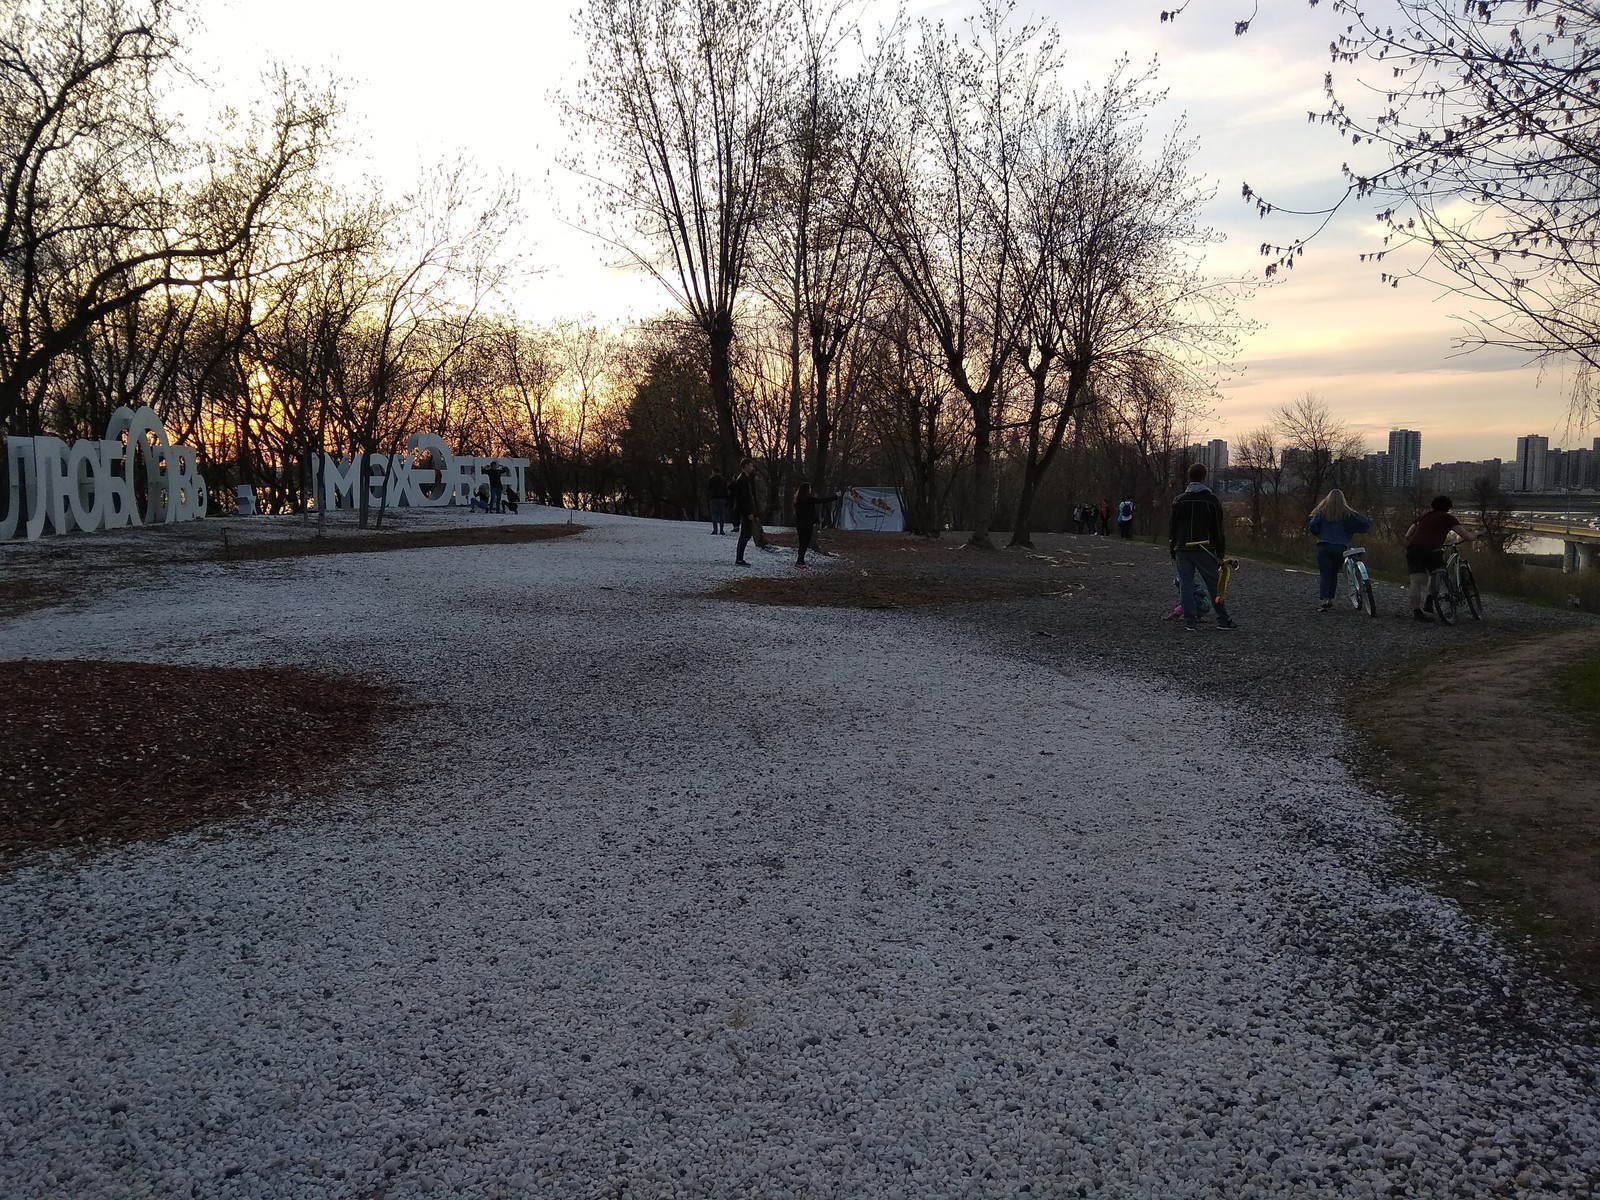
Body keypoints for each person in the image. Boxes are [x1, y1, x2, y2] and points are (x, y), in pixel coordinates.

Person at [1168, 462, 1238, 632]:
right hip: (1205, 548)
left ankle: (1190, 620)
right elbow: (1217, 529)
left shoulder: (1179, 500)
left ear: (1189, 477)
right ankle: (1222, 619)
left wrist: (1173, 549)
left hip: (1182, 547)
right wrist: (1220, 553)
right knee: (1214, 585)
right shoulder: (1211, 501)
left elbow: (1173, 528)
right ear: (1204, 477)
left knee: (1186, 584)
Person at [1405, 495, 1478, 622]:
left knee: (1415, 581)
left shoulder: (1424, 516)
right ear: (1448, 508)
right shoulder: (1448, 518)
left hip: (1414, 549)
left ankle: (1417, 612)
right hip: (1433, 550)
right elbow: (1465, 535)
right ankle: (1429, 600)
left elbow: (1408, 534)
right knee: (1435, 573)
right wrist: (1475, 535)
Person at [1307, 488, 1374, 611]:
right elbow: (1364, 523)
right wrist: (1370, 519)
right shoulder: (1347, 514)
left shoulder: (1322, 512)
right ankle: (1332, 598)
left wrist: (1319, 533)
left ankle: (1326, 599)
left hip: (1324, 547)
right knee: (1334, 574)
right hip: (1341, 548)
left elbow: (1313, 525)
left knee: (1325, 574)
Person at [792, 482, 839, 568]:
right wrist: (835, 497)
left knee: (802, 543)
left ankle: (800, 561)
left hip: (799, 525)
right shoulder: (809, 499)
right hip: (807, 524)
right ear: (806, 490)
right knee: (804, 544)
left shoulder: (797, 501)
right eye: (809, 488)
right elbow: (822, 500)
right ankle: (799, 562)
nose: (810, 490)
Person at [729, 458, 760, 565]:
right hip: (745, 511)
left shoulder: (744, 479)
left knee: (746, 534)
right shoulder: (742, 480)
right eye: (751, 466)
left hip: (746, 511)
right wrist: (749, 513)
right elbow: (743, 499)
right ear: (746, 466)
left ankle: (739, 558)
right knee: (745, 535)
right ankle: (739, 558)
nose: (752, 468)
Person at [707, 470, 729, 535]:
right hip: (722, 498)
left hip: (713, 498)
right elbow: (726, 491)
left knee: (714, 515)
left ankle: (715, 530)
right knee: (721, 515)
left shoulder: (711, 479)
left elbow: (708, 488)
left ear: (713, 472)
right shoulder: (724, 480)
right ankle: (722, 530)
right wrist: (727, 499)